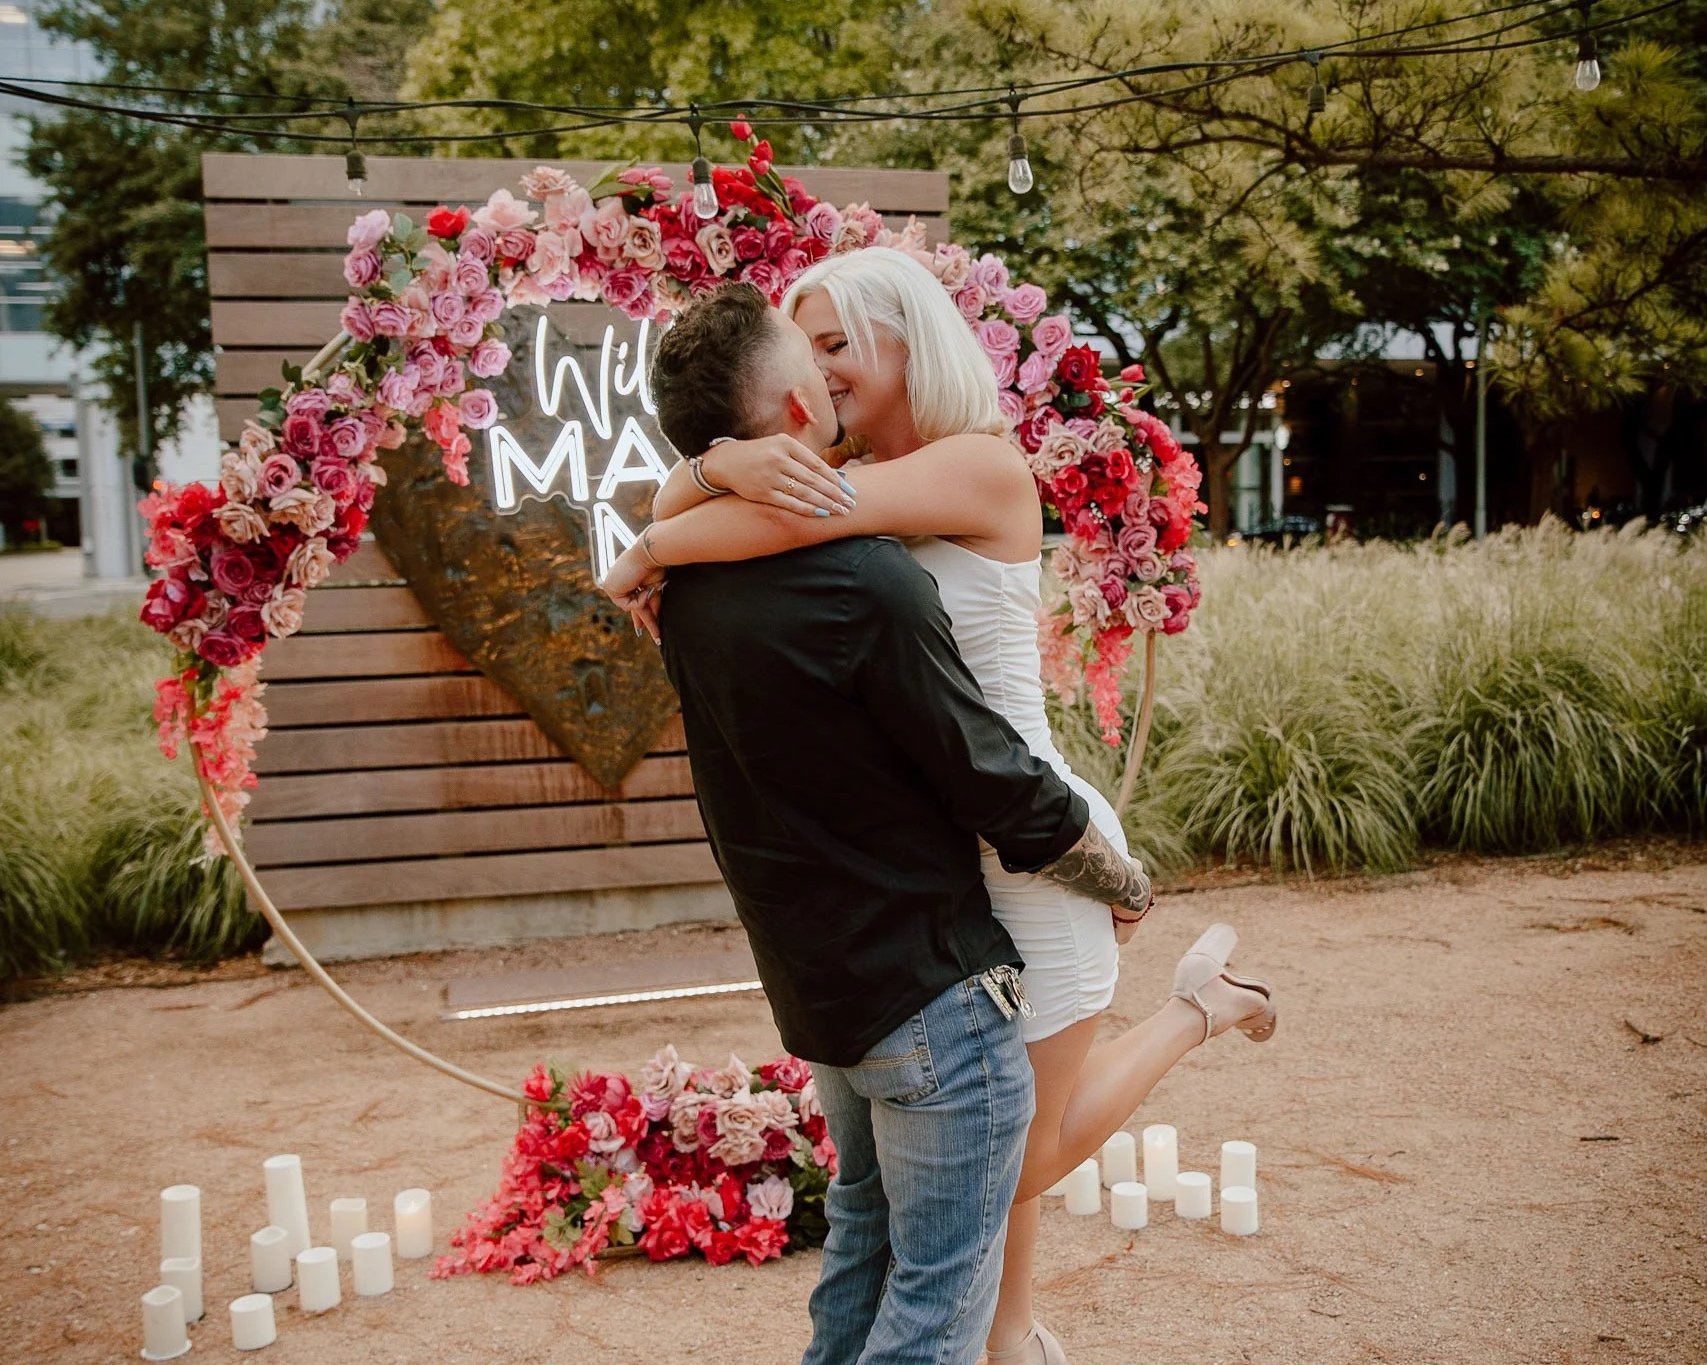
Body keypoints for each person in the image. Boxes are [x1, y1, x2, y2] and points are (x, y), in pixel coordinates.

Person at [603, 261, 1276, 1365]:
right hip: (940, 855)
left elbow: (750, 530)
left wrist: (658, 533)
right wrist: (716, 467)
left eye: (836, 345)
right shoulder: (833, 468)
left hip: (1032, 844)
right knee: (973, 1158)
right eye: (803, 350)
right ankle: (1012, 1340)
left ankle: (1196, 1013)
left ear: (908, 342)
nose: (817, 374)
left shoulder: (977, 467)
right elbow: (747, 519)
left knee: (1017, 1155)